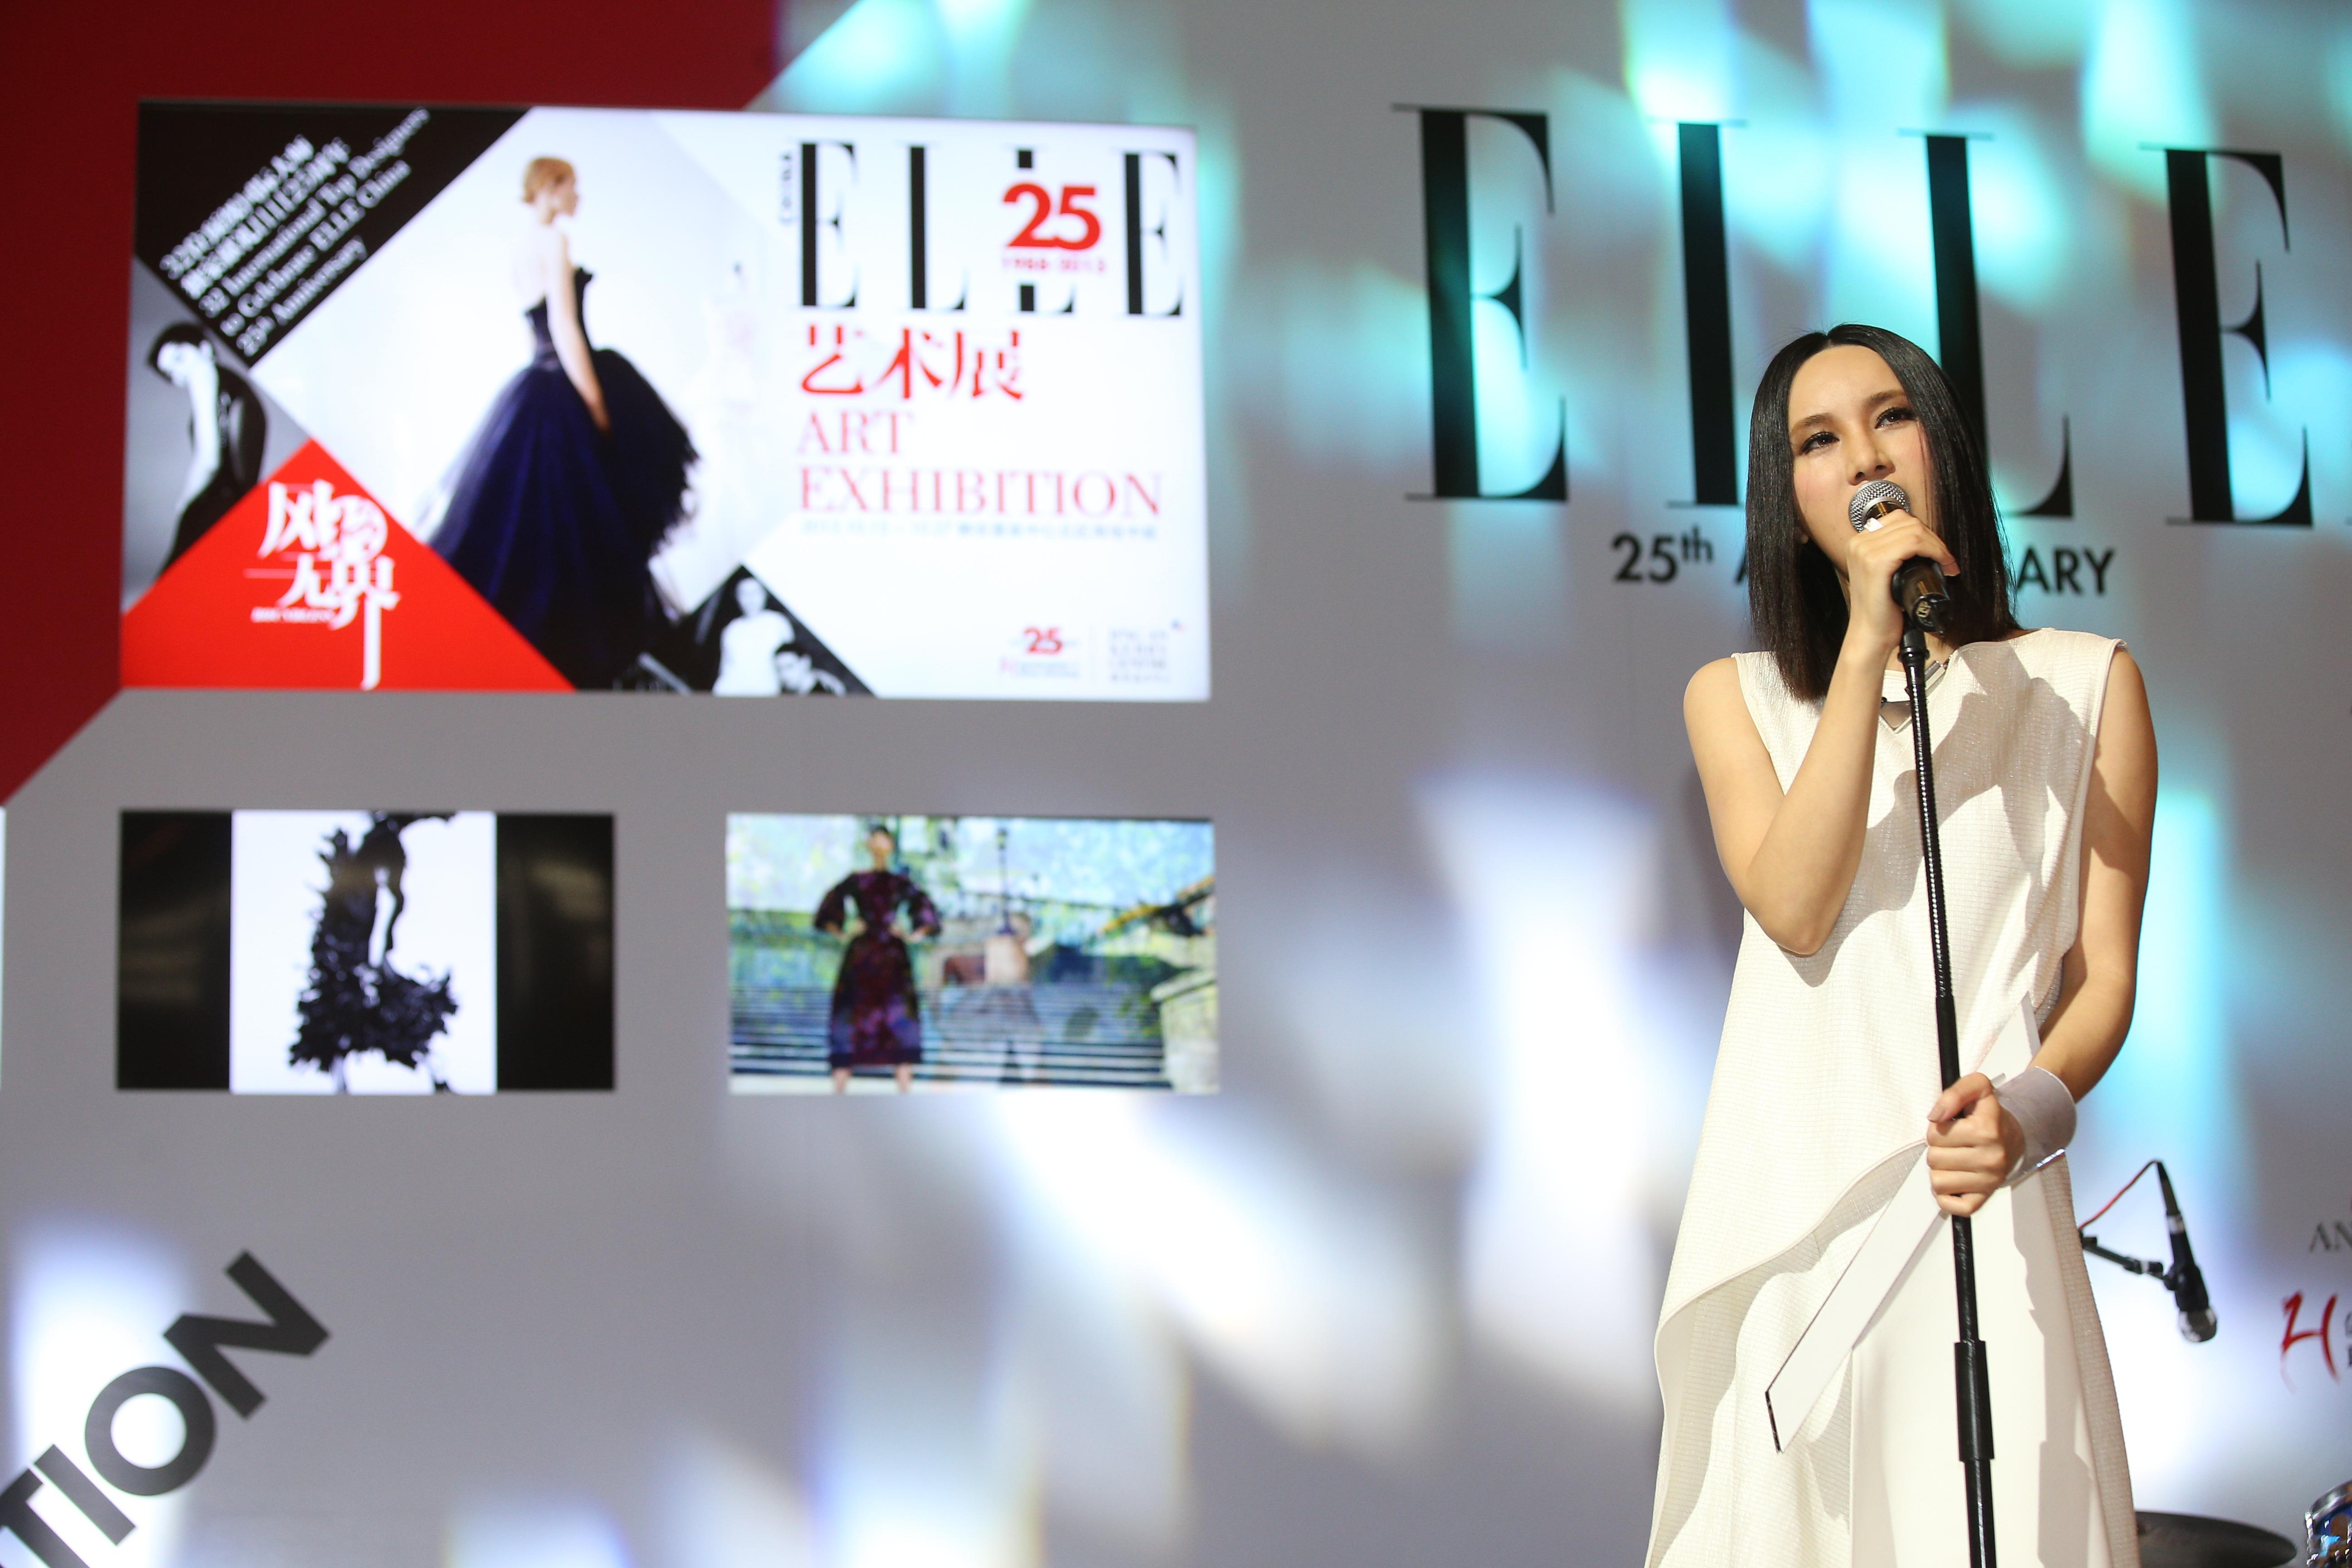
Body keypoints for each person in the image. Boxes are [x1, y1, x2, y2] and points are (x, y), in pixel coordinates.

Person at [1649, 324, 2156, 1567]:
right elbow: (1796, 906)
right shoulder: (1736, 698)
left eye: (1890, 417)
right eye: (1818, 440)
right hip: (1800, 1239)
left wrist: (2027, 1112)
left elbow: (2101, 975)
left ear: (1941, 442)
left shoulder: (2084, 684)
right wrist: (1869, 641)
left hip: (1983, 1209)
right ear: (1788, 496)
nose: (1865, 456)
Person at [431, 156, 696, 689]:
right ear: (551, 189)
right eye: (573, 186)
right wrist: (596, 404)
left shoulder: (521, 246)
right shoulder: (553, 241)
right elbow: (564, 326)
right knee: (585, 525)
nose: (579, 196)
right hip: (565, 383)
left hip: (538, 383)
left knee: (545, 530)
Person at [813, 825, 942, 1093]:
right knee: (850, 1020)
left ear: (891, 846)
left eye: (884, 841)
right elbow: (827, 910)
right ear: (869, 845)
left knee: (900, 1020)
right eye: (875, 841)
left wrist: (912, 935)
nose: (880, 846)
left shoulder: (900, 882)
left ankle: (905, 1095)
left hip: (893, 959)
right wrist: (844, 933)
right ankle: (838, 1095)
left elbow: (926, 910)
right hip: (861, 957)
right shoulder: (857, 880)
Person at [149, 323, 266, 567]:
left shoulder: (202, 371)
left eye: (179, 359)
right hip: (235, 510)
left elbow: (209, 460)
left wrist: (184, 504)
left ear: (205, 348)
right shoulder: (238, 387)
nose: (179, 374)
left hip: (213, 505)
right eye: (170, 374)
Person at [712, 576, 795, 696]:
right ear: (737, 598)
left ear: (765, 594)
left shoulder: (778, 622)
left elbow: (793, 660)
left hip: (766, 691)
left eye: (755, 592)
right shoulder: (731, 629)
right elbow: (725, 666)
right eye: (744, 594)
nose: (750, 598)